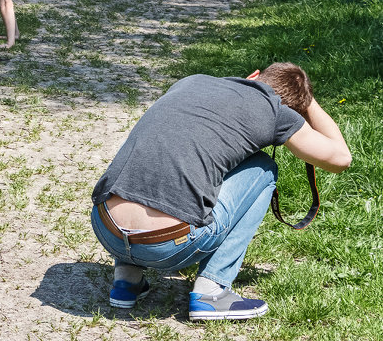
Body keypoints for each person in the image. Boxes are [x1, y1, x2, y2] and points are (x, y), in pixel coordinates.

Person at [90, 63, 351, 322]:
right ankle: (211, 293)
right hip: (166, 246)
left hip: (106, 228)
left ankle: (127, 280)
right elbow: (341, 158)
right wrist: (308, 103)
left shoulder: (192, 81)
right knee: (264, 167)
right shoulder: (276, 111)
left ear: (253, 76)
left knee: (168, 151)